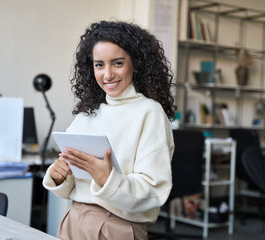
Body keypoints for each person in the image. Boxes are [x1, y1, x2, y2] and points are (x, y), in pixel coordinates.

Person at [43, 20, 176, 240]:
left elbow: (153, 192)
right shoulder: (87, 114)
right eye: (99, 65)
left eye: (117, 63)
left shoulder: (149, 113)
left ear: (136, 63)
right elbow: (73, 180)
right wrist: (60, 176)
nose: (107, 75)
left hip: (116, 226)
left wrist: (108, 179)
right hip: (73, 219)